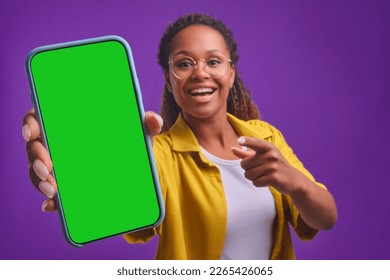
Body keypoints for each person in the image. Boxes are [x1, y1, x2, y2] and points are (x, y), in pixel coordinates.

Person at [22, 13, 337, 260]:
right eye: (184, 64)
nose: (200, 72)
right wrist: (78, 160)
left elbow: (325, 218)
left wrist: (292, 181)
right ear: (168, 78)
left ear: (231, 72)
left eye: (213, 61)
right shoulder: (158, 154)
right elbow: (119, 207)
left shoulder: (265, 136)